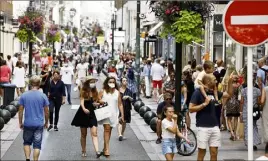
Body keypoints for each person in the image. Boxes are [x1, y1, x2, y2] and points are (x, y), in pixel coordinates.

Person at [189, 74, 222, 161]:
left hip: (215, 126)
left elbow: (228, 94)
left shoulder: (213, 91)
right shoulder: (197, 92)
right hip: (203, 127)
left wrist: (230, 81)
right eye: (214, 80)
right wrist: (204, 104)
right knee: (201, 152)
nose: (216, 81)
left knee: (214, 153)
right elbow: (191, 109)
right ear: (208, 82)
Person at [18, 75, 49, 161]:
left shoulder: (24, 95)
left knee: (26, 142)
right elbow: (46, 111)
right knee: (37, 145)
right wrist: (46, 122)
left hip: (28, 123)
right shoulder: (43, 96)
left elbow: (20, 111)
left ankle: (27, 158)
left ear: (31, 84)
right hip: (39, 124)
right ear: (39, 84)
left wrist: (20, 122)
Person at [71, 76, 102, 158]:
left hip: (92, 113)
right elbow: (81, 101)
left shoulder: (95, 91)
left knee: (94, 133)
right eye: (91, 82)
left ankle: (97, 151)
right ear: (88, 82)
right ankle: (83, 150)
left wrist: (98, 103)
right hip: (83, 113)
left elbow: (99, 101)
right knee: (83, 134)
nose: (93, 83)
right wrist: (84, 108)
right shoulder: (83, 90)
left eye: (94, 82)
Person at [98, 76, 124, 157]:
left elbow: (120, 104)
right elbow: (97, 99)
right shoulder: (103, 91)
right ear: (107, 83)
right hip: (105, 113)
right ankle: (107, 149)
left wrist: (122, 115)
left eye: (113, 82)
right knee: (107, 129)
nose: (112, 83)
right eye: (110, 82)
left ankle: (105, 147)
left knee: (109, 131)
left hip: (113, 114)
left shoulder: (117, 92)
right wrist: (101, 101)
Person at [118, 77, 133, 141]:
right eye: (124, 80)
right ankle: (120, 135)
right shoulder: (118, 90)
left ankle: (122, 134)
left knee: (124, 122)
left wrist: (128, 97)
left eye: (126, 80)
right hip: (119, 108)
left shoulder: (129, 91)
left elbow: (132, 100)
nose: (125, 82)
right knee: (120, 121)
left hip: (127, 108)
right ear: (121, 82)